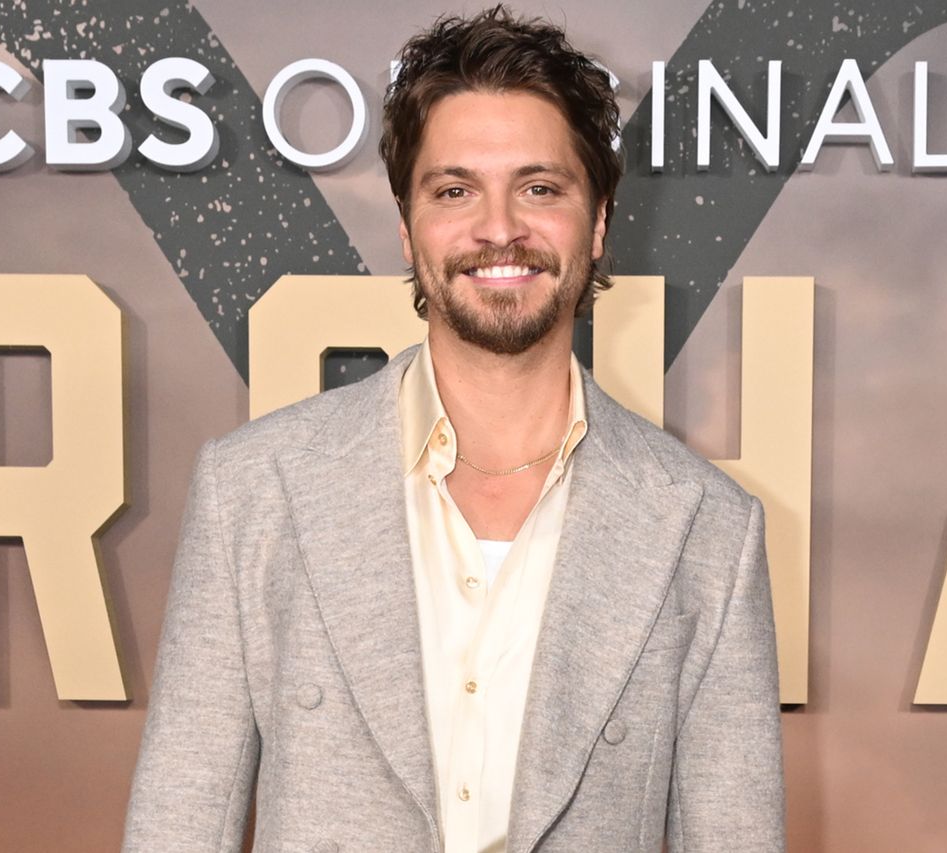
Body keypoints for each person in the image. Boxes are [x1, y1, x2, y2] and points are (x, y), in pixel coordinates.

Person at [123, 7, 783, 852]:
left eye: (540, 188)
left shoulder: (708, 528)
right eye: (455, 189)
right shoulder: (254, 487)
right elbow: (179, 821)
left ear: (601, 221)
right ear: (407, 226)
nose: (498, 227)